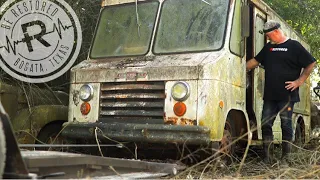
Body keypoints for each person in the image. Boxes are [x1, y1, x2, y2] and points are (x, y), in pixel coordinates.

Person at [246, 20, 316, 164]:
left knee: (286, 125)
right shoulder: (268, 48)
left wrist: (299, 81)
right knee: (265, 124)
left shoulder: (294, 46)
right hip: (270, 95)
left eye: (269, 36)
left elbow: (311, 62)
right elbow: (254, 62)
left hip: (287, 95)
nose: (267, 39)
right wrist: (238, 67)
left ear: (277, 32)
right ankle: (267, 157)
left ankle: (286, 158)